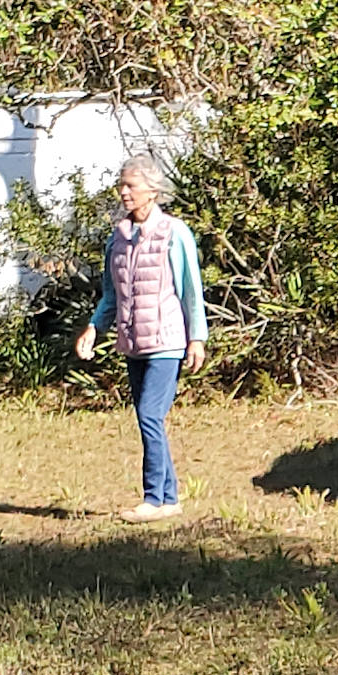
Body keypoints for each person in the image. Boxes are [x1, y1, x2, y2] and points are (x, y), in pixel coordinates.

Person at [73, 157, 204, 520]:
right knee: (150, 419)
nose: (124, 192)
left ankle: (153, 499)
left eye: (131, 185)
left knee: (149, 414)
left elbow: (191, 289)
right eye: (121, 185)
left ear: (153, 190)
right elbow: (110, 295)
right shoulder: (117, 238)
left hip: (167, 341)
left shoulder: (174, 233)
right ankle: (169, 498)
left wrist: (198, 338)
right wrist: (94, 327)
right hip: (132, 343)